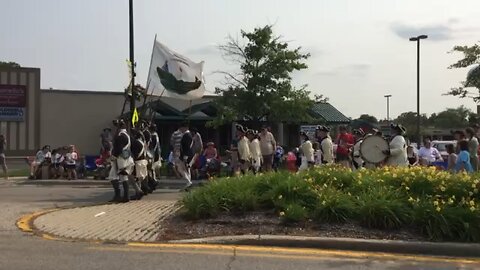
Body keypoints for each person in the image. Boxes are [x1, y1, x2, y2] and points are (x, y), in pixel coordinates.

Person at [108, 119, 134, 203]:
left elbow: (118, 149)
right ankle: (125, 196)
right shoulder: (126, 135)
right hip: (125, 158)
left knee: (112, 176)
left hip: (120, 159)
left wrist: (113, 157)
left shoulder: (120, 136)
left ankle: (118, 195)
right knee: (123, 177)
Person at [130, 128, 148, 200]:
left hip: (138, 162)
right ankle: (138, 193)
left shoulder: (135, 143)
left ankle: (138, 191)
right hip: (143, 161)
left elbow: (135, 154)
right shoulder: (142, 142)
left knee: (132, 177)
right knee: (139, 178)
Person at [177, 122, 194, 189]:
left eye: (182, 128)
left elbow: (187, 147)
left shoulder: (187, 135)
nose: (181, 129)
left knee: (180, 168)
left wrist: (185, 156)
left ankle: (188, 181)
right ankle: (188, 182)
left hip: (186, 155)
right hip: (187, 154)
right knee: (187, 169)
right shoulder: (188, 135)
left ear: (185, 128)